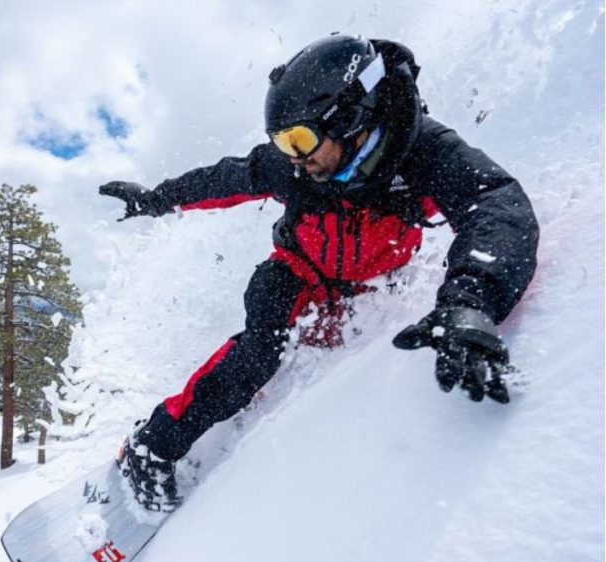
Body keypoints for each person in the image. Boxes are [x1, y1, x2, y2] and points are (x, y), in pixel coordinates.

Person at [99, 34, 539, 512]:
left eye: (301, 140)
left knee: (325, 346)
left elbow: (497, 206)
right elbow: (223, 178)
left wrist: (470, 302)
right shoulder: (296, 168)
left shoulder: (422, 154)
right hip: (297, 271)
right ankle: (152, 446)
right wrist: (155, 199)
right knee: (261, 348)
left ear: (349, 119)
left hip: (367, 289)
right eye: (282, 142)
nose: (293, 157)